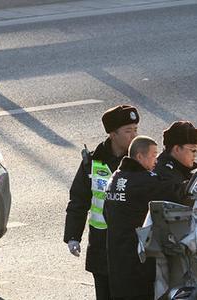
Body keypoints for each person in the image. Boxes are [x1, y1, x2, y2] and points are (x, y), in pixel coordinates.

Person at [64, 105, 140, 300]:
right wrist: (73, 236)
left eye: (136, 130)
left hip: (129, 246)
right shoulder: (93, 162)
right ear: (113, 134)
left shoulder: (139, 160)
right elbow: (79, 200)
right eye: (128, 131)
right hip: (101, 245)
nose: (134, 136)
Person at [104, 136, 187, 300]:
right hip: (138, 261)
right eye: (153, 155)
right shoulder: (144, 181)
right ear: (140, 156)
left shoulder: (115, 178)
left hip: (115, 257)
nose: (156, 161)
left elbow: (106, 214)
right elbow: (175, 194)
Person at [154, 121, 197, 202]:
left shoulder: (181, 169)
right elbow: (174, 196)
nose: (195, 155)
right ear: (177, 149)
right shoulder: (162, 172)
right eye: (193, 150)